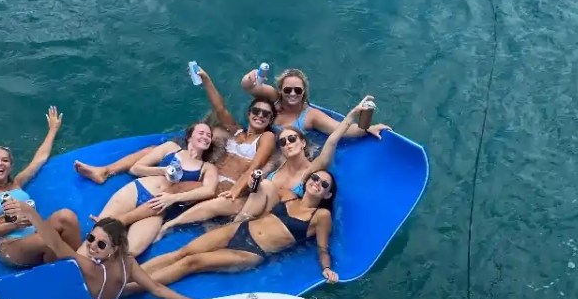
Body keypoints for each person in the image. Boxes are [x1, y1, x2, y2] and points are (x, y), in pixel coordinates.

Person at [156, 95, 369, 239]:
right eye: (284, 142)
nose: (288, 144)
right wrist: (248, 182)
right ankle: (170, 225)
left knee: (261, 189)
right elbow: (256, 180)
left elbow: (331, 141)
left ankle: (229, 228)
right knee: (218, 203)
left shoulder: (312, 172)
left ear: (303, 142)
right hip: (252, 206)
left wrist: (351, 117)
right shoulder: (277, 162)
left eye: (293, 139)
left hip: (272, 218)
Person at [132, 165, 341, 288]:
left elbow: (322, 247)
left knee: (192, 262)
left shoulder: (320, 215)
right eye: (315, 178)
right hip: (240, 228)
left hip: (252, 251)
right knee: (182, 252)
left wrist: (327, 268)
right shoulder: (287, 195)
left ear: (327, 195)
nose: (317, 183)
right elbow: (260, 189)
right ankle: (128, 275)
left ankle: (130, 289)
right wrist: (251, 183)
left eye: (324, 185)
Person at [73, 66, 276, 191]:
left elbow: (255, 167)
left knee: (168, 187)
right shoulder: (236, 131)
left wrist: (237, 190)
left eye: (266, 114)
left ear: (270, 120)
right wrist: (205, 79)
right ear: (249, 113)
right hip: (206, 163)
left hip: (212, 178)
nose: (260, 115)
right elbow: (219, 107)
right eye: (256, 111)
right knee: (153, 149)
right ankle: (106, 171)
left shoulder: (266, 137)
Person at [15, 204, 192, 299]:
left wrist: (32, 214)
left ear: (114, 248)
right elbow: (157, 289)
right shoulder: (127, 262)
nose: (92, 246)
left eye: (101, 244)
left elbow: (57, 245)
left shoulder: (91, 269)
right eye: (90, 238)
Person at [0, 106, 81, 267]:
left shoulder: (17, 183)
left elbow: (39, 159)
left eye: (5, 160)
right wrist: (14, 225)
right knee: (46, 239)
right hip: (11, 245)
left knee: (66, 216)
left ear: (10, 167)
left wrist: (53, 130)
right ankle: (81, 265)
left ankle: (74, 265)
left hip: (36, 233)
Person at [93, 122, 219, 257]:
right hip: (139, 189)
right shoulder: (171, 148)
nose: (205, 137)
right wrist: (162, 170)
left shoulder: (207, 168)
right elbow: (136, 168)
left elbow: (209, 190)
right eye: (201, 133)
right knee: (99, 232)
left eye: (209, 135)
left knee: (130, 252)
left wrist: (173, 198)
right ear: (189, 137)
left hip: (159, 208)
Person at [240, 67, 390, 138]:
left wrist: (367, 128)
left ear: (304, 91)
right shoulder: (274, 98)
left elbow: (341, 130)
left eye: (297, 90)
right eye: (288, 90)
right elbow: (249, 87)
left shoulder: (311, 116)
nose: (292, 94)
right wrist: (250, 77)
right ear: (280, 90)